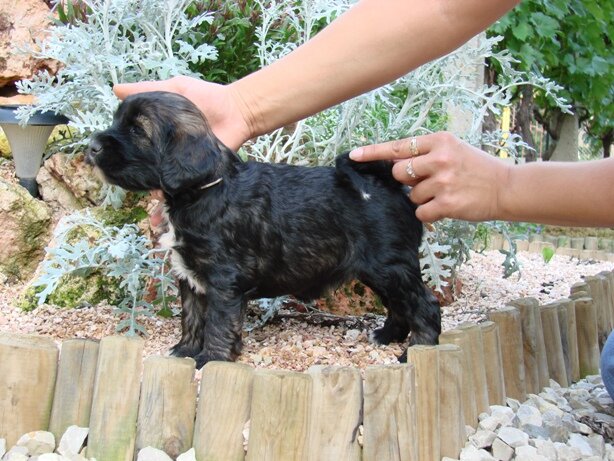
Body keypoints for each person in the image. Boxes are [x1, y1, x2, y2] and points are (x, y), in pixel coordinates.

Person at [114, 0, 614, 391]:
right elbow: (442, 9)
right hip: (341, 199)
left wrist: (505, 186)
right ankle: (399, 323)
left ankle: (419, 325)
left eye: (134, 135)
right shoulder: (200, 198)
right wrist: (242, 104)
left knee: (389, 271)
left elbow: (226, 279)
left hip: (361, 216)